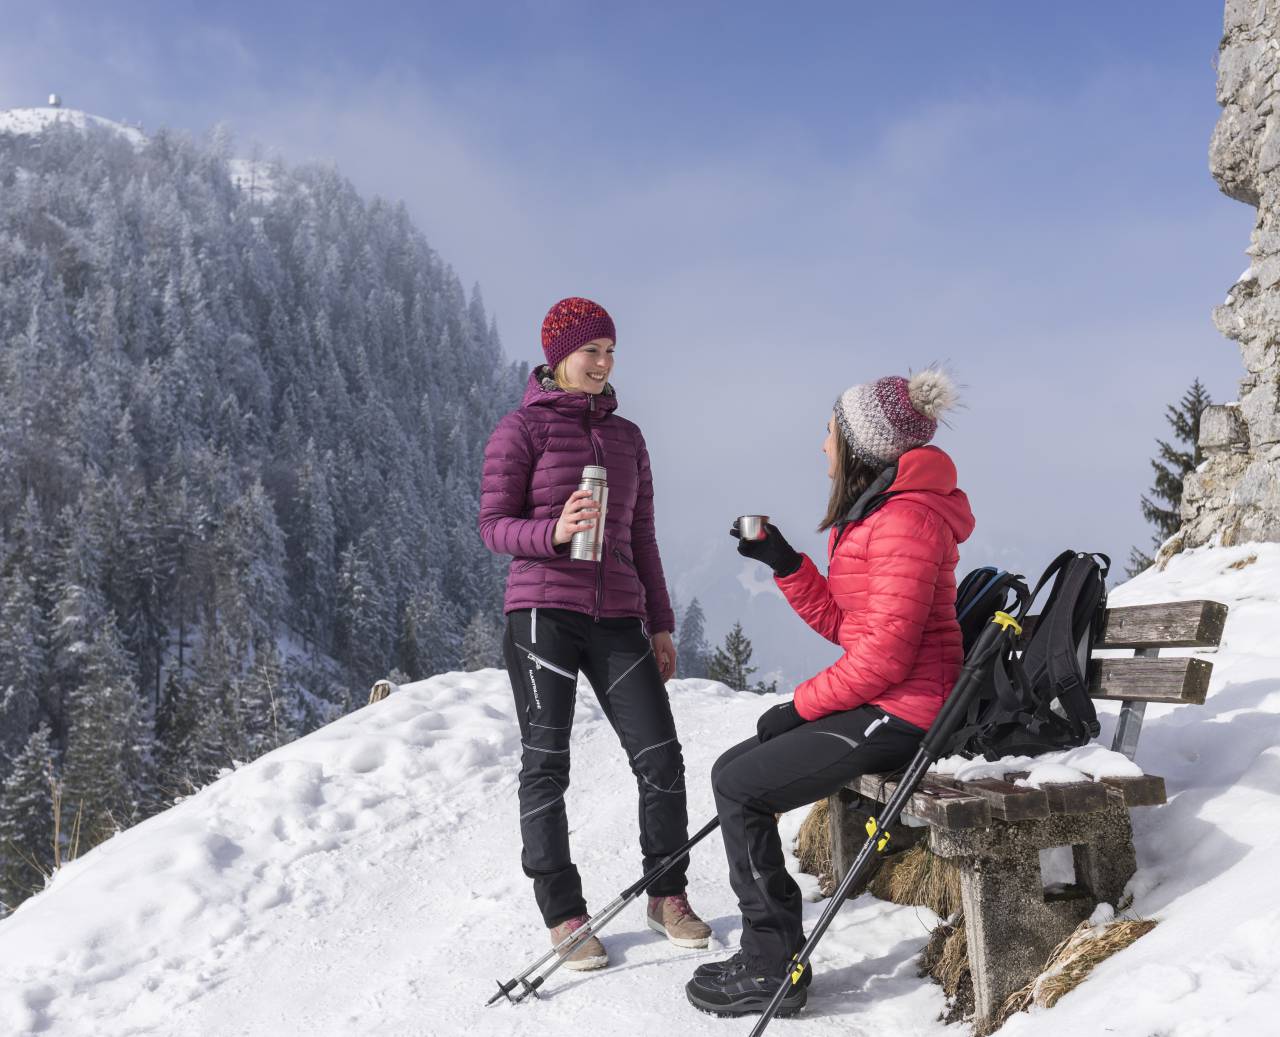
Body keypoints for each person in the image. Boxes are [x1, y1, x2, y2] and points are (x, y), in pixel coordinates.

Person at [685, 369, 974, 1017]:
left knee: (740, 785)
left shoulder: (904, 519)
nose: (822, 446)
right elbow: (852, 627)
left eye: (829, 432)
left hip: (905, 710)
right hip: (888, 700)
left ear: (861, 443)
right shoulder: (880, 513)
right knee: (733, 770)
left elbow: (887, 655)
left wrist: (800, 705)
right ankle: (770, 950)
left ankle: (770, 966)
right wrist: (787, 562)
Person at [479, 296, 710, 970]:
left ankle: (666, 892)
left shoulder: (628, 437)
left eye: (610, 351)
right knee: (546, 765)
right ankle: (563, 912)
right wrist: (551, 530)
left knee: (661, 757)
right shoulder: (521, 430)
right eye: (592, 352)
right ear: (558, 356)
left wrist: (660, 622)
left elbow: (642, 536)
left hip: (616, 618)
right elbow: (492, 525)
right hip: (541, 613)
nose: (604, 364)